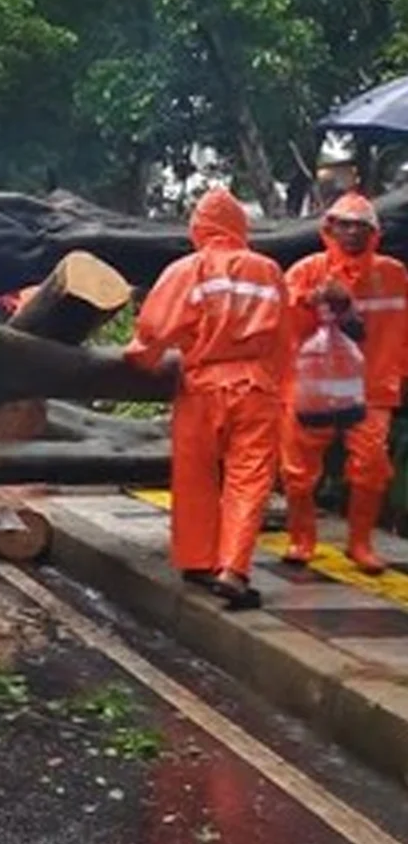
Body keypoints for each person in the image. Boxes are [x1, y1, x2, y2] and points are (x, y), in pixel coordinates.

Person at [124, 188, 291, 609]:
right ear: (239, 227)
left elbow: (152, 331)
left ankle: (198, 560)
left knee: (195, 476)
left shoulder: (188, 269)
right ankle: (233, 569)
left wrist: (141, 361)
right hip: (255, 387)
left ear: (199, 227)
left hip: (201, 386)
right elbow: (284, 340)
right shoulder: (268, 271)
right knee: (248, 481)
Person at [279, 193, 408, 573]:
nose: (352, 233)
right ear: (329, 229)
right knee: (297, 472)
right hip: (312, 389)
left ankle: (360, 543)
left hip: (370, 389)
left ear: (375, 233)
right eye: (344, 225)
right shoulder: (306, 271)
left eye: (361, 226)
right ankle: (302, 539)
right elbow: (282, 326)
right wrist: (311, 300)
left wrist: (398, 375)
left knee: (371, 465)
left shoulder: (393, 274)